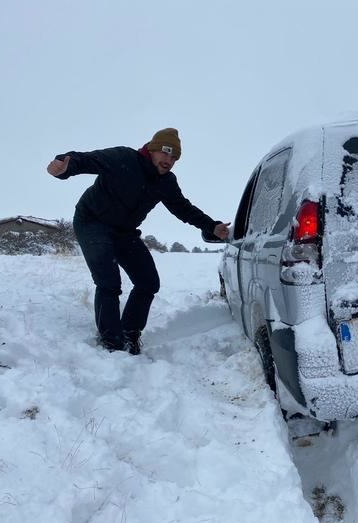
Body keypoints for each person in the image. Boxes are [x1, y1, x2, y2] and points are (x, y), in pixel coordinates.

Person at [47, 128, 230, 354]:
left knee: (148, 281)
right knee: (108, 281)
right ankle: (111, 341)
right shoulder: (123, 158)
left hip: (124, 231)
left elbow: (183, 208)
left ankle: (130, 333)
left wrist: (212, 226)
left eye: (174, 157)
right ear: (152, 149)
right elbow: (87, 160)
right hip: (92, 222)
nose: (169, 160)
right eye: (165, 153)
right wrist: (64, 166)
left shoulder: (166, 181)